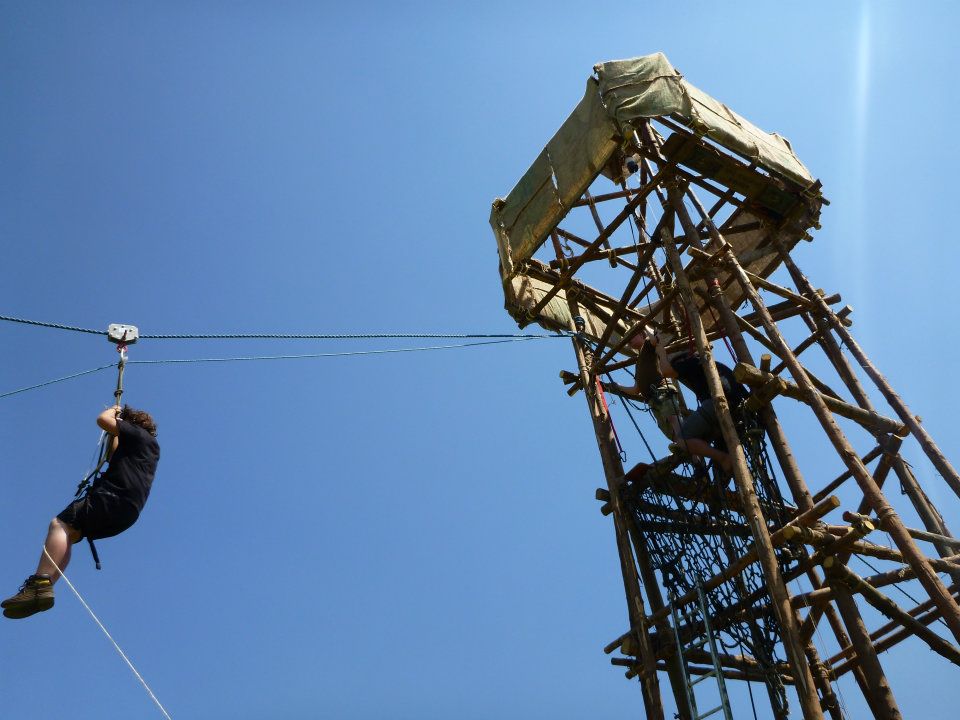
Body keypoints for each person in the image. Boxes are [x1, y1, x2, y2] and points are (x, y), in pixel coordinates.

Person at [2, 405, 159, 620]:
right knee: (72, 532)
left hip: (112, 498)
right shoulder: (146, 449)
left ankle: (40, 584)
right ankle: (41, 590)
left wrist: (114, 410)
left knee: (60, 525)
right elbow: (114, 452)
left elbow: (102, 420)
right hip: (126, 513)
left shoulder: (137, 434)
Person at [648, 333, 749, 475]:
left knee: (683, 440)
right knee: (716, 459)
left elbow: (666, 370)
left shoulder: (690, 362)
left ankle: (723, 458)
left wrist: (661, 352)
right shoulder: (710, 364)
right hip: (736, 406)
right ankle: (717, 469)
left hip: (718, 404)